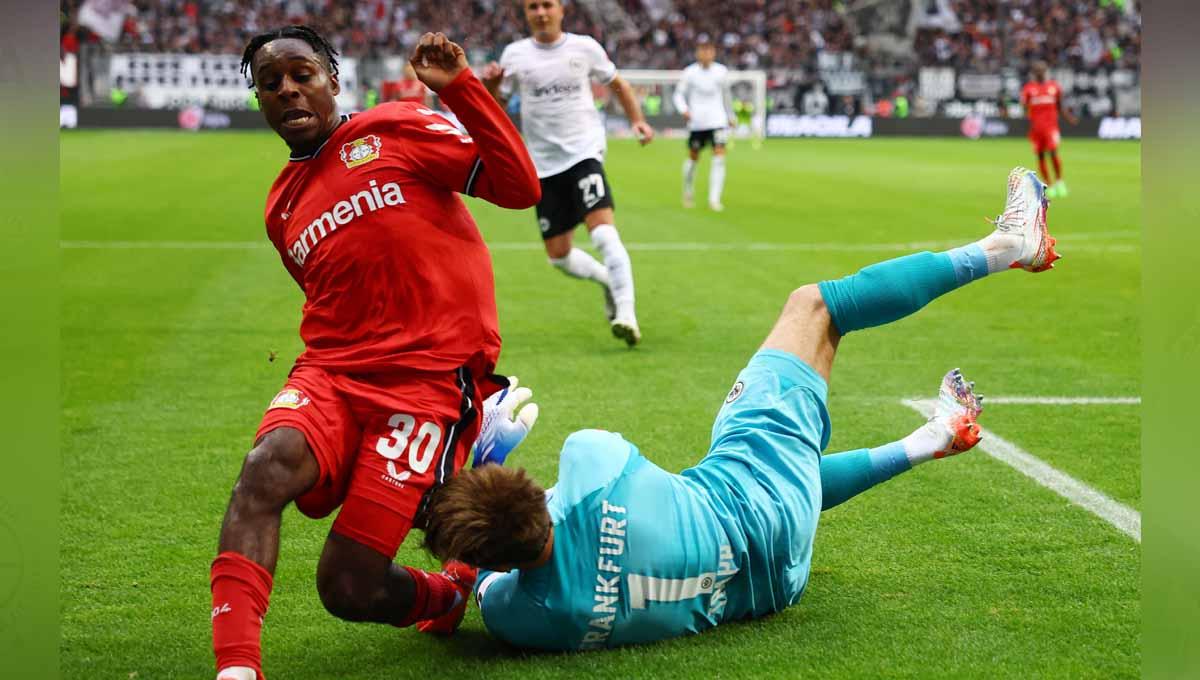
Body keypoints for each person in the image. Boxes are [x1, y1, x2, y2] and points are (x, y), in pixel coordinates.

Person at [422, 167, 1062, 650]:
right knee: (814, 306)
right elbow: (558, 510)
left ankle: (934, 437)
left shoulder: (520, 620)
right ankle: (1008, 245)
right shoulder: (587, 464)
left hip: (775, 585)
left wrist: (464, 543)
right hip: (752, 508)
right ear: (531, 492)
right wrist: (486, 454)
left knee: (767, 477)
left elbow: (479, 578)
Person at [210, 27, 541, 680]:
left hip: (422, 386)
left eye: (300, 73)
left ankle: (447, 585)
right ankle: (237, 670)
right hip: (331, 374)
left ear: (334, 80)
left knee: (348, 587)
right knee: (263, 470)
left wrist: (463, 91)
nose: (287, 89)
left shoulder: (396, 128)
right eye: (270, 83)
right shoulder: (281, 206)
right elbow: (331, 295)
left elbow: (519, 185)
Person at [481, 0, 656, 347]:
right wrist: (494, 87)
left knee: (604, 235)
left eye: (547, 5)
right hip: (543, 165)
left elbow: (617, 83)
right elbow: (496, 109)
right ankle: (608, 280)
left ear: (561, 10)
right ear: (526, 14)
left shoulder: (585, 47)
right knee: (558, 256)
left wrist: (638, 120)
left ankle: (626, 313)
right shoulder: (514, 55)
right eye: (533, 7)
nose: (541, 13)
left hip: (584, 154)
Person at [673, 40, 736, 211]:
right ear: (697, 53)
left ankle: (714, 199)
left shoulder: (721, 72)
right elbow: (678, 95)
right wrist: (684, 110)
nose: (706, 54)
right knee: (693, 159)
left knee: (719, 158)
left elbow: (726, 97)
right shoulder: (690, 73)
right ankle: (688, 191)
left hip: (718, 121)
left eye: (709, 50)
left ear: (714, 52)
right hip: (697, 123)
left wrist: (731, 116)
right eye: (703, 50)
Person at [1021, 61, 1079, 198]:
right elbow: (1024, 109)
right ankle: (1048, 184)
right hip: (1037, 129)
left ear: (1046, 71)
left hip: (1051, 128)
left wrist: (1070, 119)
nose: (1040, 72)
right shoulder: (1028, 89)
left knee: (1053, 153)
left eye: (1042, 70)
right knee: (1040, 156)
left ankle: (1059, 182)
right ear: (1034, 73)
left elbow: (1060, 107)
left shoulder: (1054, 87)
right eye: (1038, 70)